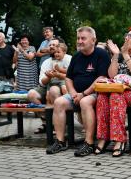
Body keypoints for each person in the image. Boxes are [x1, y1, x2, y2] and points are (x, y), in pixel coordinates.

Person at [46, 26, 111, 156]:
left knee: (85, 102)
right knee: (59, 102)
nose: (79, 41)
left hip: (95, 93)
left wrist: (83, 94)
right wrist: (73, 93)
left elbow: (102, 77)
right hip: (76, 93)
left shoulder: (101, 54)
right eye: (78, 38)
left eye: (83, 38)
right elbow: (69, 78)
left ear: (93, 40)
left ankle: (89, 143)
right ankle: (60, 141)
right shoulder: (76, 56)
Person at [95, 26, 131, 157]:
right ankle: (103, 137)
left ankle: (120, 139)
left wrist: (125, 54)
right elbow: (111, 74)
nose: (127, 37)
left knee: (116, 96)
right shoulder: (119, 56)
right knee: (102, 96)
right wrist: (115, 55)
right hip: (119, 91)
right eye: (127, 34)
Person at [28, 38, 70, 134]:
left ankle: (59, 124)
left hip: (64, 84)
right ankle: (46, 123)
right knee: (31, 94)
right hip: (49, 83)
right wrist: (48, 77)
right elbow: (42, 82)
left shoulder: (69, 58)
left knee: (54, 90)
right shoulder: (46, 62)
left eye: (54, 45)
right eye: (50, 45)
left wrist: (59, 74)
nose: (51, 47)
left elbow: (72, 76)